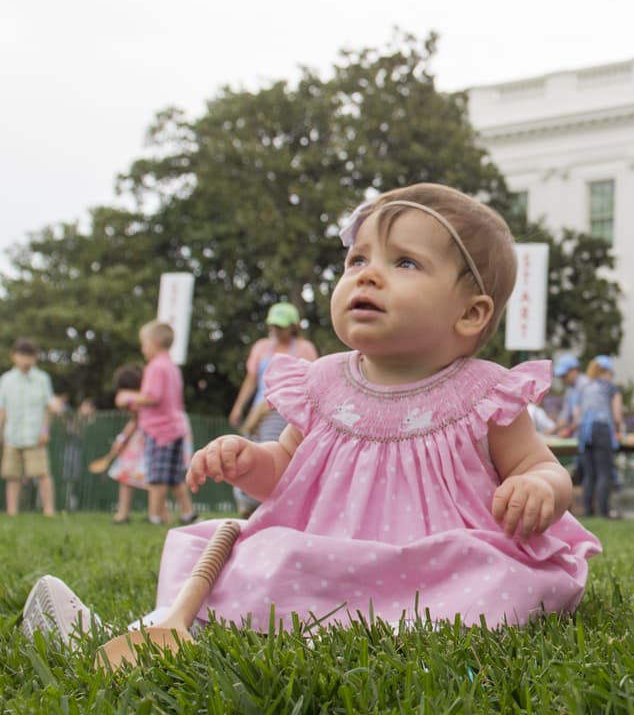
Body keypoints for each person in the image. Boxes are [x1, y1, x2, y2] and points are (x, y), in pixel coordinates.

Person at [22, 183, 601, 643]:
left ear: (471, 313)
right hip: (323, 556)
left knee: (488, 575)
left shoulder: (483, 393)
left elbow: (538, 464)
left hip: (436, 563)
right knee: (250, 554)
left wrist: (541, 488)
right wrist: (248, 460)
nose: (367, 274)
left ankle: (324, 628)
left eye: (404, 263)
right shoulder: (324, 382)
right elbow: (286, 466)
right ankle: (138, 632)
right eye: (356, 260)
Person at [226, 301, 319, 517]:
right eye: (273, 325)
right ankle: (248, 505)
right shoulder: (261, 347)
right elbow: (251, 381)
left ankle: (270, 506)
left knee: (275, 454)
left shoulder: (304, 349)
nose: (276, 330)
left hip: (285, 411)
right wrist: (239, 408)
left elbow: (311, 383)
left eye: (281, 326)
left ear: (293, 326)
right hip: (259, 409)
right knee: (251, 449)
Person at [115, 321, 197, 526]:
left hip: (160, 431)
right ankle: (188, 513)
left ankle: (155, 517)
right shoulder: (172, 367)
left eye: (144, 343)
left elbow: (152, 397)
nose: (142, 348)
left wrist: (128, 398)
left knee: (157, 477)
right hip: (175, 428)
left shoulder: (155, 367)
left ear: (156, 342)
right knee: (173, 477)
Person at [1, 338, 57, 517]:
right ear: (14, 356)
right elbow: (3, 409)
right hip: (13, 435)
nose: (25, 360)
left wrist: (45, 430)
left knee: (42, 473)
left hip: (35, 435)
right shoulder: (6, 380)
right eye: (22, 355)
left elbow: (48, 407)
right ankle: (12, 511)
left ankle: (49, 510)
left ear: (35, 358)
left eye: (29, 356)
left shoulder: (42, 379)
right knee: (12, 475)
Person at [574, 355, 623, 518]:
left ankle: (588, 510)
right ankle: (604, 511)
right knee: (604, 472)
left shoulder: (584, 387)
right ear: (607, 371)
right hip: (602, 429)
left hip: (584, 432)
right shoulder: (610, 387)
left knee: (589, 474)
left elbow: (577, 414)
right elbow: (617, 415)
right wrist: (618, 428)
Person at [103, 365, 147, 524]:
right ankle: (123, 513)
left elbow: (138, 421)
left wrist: (122, 440)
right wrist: (121, 440)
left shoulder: (144, 397)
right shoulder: (138, 399)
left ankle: (159, 513)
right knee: (125, 475)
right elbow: (135, 421)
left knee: (155, 480)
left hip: (151, 440)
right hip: (139, 441)